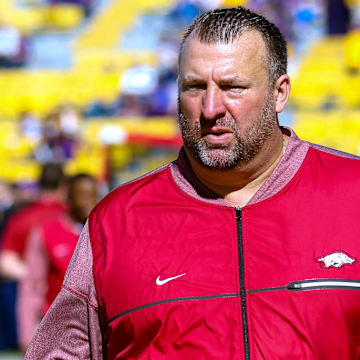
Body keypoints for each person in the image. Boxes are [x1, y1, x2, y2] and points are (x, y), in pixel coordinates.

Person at [25, 6, 360, 359]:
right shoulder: (115, 222)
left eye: (233, 87)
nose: (211, 106)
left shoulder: (352, 193)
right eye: (194, 87)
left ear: (280, 93)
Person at [17, 174, 98, 353]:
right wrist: (26, 335)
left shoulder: (104, 233)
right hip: (57, 331)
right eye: (82, 195)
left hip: (95, 331)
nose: (89, 201)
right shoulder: (47, 232)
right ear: (69, 198)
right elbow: (31, 285)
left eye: (93, 195)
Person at [0, 163, 66, 281]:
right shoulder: (70, 217)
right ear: (63, 185)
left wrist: (33, 277)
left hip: (28, 291)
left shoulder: (20, 217)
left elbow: (6, 262)